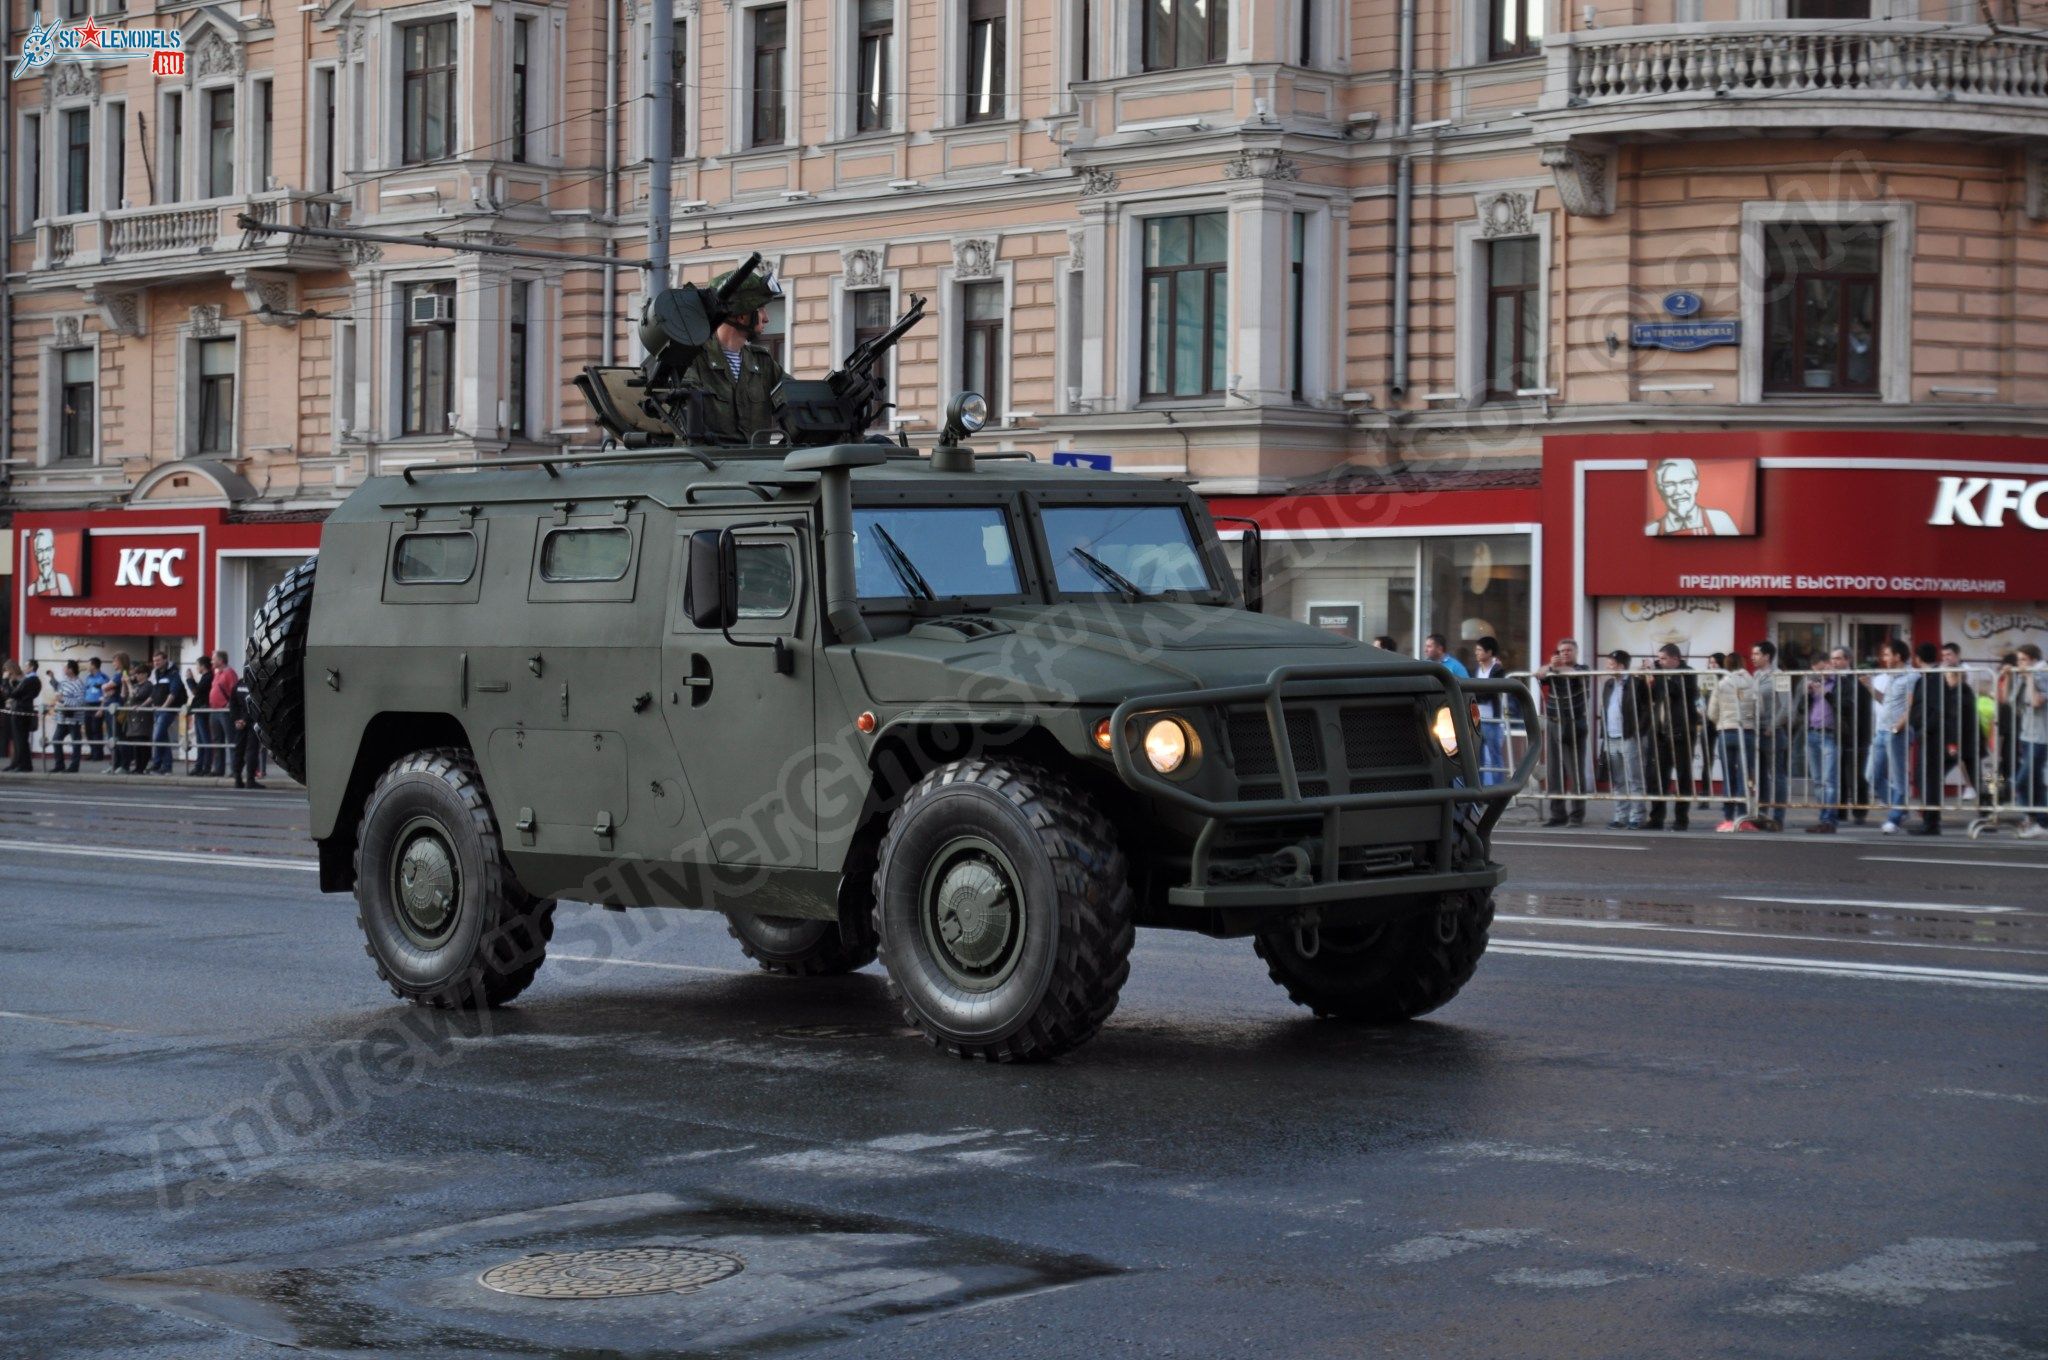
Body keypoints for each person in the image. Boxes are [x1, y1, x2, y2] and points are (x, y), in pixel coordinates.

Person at [678, 267, 789, 444]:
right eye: (760, 309)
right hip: (712, 466)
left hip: (759, 466)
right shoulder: (693, 360)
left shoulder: (763, 363)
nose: (766, 318)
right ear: (742, 317)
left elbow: (798, 398)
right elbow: (684, 419)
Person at [1862, 637, 1917, 835]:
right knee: (1871, 775)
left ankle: (1894, 818)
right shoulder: (1892, 676)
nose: (1883, 658)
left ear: (1898, 656)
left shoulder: (1911, 676)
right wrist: (1869, 686)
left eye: (1887, 654)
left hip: (1897, 732)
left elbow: (1912, 705)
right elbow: (1885, 701)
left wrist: (1899, 726)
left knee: (1898, 778)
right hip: (1882, 731)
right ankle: (1899, 808)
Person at [1535, 639, 1592, 827]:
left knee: (1575, 771)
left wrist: (1556, 669)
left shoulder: (1583, 668)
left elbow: (1576, 674)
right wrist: (1548, 666)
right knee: (1553, 771)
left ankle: (1577, 816)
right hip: (1553, 722)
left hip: (1574, 723)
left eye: (1569, 650)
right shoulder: (1554, 669)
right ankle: (1557, 814)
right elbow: (1540, 675)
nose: (1565, 654)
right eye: (1561, 651)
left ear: (1576, 652)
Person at [1645, 643, 1699, 831]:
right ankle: (1656, 817)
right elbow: (1651, 697)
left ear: (1675, 659)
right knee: (1658, 777)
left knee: (1683, 777)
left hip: (1681, 732)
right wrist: (1648, 681)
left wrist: (1657, 677)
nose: (1659, 662)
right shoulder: (1659, 675)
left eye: (1663, 659)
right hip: (1660, 732)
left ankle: (1681, 819)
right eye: (1658, 659)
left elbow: (1675, 691)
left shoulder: (1687, 673)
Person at [1598, 650, 1651, 829]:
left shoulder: (1635, 683)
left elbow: (1645, 709)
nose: (1607, 668)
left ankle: (1637, 816)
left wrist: (1637, 731)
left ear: (1621, 666)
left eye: (1611, 664)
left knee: (1634, 778)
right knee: (1618, 780)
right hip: (1611, 737)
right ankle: (1620, 816)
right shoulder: (1609, 685)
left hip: (1629, 737)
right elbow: (1605, 710)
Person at [1705, 653, 1756, 831]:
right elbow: (1761, 708)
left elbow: (1711, 712)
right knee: (1744, 777)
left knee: (1728, 776)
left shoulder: (1722, 683)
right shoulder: (1751, 682)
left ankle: (1728, 818)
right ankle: (1743, 818)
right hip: (1747, 732)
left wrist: (1722, 722)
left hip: (1726, 732)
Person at [1745, 640, 1789, 831]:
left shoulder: (1779, 676)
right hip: (1756, 732)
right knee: (1759, 776)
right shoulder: (1755, 676)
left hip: (1772, 733)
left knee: (1777, 776)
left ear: (1767, 656)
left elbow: (1787, 706)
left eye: (1756, 654)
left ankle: (1778, 817)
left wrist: (1772, 726)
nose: (1753, 657)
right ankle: (1761, 815)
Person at [1830, 646, 1874, 824]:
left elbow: (1852, 706)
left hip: (1856, 734)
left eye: (1838, 658)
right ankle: (1840, 811)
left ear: (1847, 660)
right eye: (1833, 659)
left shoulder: (1857, 680)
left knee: (1856, 776)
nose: (1834, 662)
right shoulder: (1831, 679)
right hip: (1836, 734)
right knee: (1838, 774)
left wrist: (1826, 696)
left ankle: (1860, 811)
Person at [1645, 458, 1742, 536]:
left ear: (1696, 485)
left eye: (1686, 482)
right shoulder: (1652, 529)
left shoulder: (1719, 519)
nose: (1679, 491)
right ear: (1660, 489)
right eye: (1670, 484)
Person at [1802, 653, 1842, 834]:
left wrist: (1824, 694)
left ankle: (1829, 820)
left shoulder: (1839, 683)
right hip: (1812, 733)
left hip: (1830, 734)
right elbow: (1801, 709)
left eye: (1826, 666)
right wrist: (1808, 693)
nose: (1823, 670)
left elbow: (1844, 706)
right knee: (1817, 780)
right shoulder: (1816, 683)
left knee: (1829, 781)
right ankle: (1823, 816)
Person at [2011, 644, 2047, 840]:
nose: (2020, 664)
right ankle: (2037, 820)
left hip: (2041, 736)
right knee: (2034, 782)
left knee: (2023, 780)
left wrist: (2030, 677)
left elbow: (2036, 701)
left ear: (2033, 659)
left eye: (2023, 660)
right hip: (2026, 735)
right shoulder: (2024, 675)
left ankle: (2040, 820)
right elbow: (2013, 701)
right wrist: (2012, 676)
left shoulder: (2043, 673)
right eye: (2018, 660)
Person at [1472, 635, 1510, 786]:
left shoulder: (1497, 669)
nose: (1477, 653)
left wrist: (1477, 693)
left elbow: (1491, 691)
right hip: (1477, 717)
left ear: (1489, 652)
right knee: (1478, 756)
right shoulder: (1478, 669)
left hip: (1491, 719)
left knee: (1494, 755)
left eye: (1480, 650)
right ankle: (1480, 789)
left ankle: (1497, 789)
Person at [147, 651, 186, 775]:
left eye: (158, 660)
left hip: (167, 710)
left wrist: (164, 707)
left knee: (158, 736)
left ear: (165, 660)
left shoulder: (173, 673)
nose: (156, 663)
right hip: (158, 709)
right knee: (162, 736)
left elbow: (173, 693)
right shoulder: (157, 673)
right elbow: (154, 693)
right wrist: (143, 705)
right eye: (154, 661)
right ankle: (163, 766)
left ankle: (161, 764)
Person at [48, 660, 87, 773]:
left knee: (75, 742)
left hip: (74, 719)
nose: (64, 669)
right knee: (56, 740)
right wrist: (52, 678)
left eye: (66, 667)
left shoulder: (79, 684)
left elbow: (80, 702)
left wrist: (63, 699)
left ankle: (74, 766)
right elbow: (58, 689)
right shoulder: (64, 682)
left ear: (71, 669)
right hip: (62, 718)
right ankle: (59, 765)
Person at [227, 667, 264, 790]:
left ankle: (237, 778)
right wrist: (243, 720)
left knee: (239, 750)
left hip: (240, 724)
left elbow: (232, 703)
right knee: (251, 751)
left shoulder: (239, 684)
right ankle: (250, 779)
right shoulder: (255, 684)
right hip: (251, 722)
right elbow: (256, 704)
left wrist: (237, 719)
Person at [3, 661, 41, 771]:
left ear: (31, 667)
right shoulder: (29, 680)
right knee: (18, 739)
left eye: (26, 665)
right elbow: (18, 692)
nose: (24, 667)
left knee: (20, 740)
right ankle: (17, 763)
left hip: (21, 711)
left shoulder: (30, 680)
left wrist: (5, 681)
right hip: (21, 710)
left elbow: (13, 694)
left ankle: (24, 765)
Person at [208, 650, 238, 780]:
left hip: (225, 712)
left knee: (230, 740)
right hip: (215, 711)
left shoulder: (229, 673)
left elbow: (234, 690)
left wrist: (229, 705)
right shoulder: (218, 673)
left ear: (221, 660)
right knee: (217, 741)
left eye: (213, 659)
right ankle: (218, 768)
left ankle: (234, 769)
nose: (212, 661)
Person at [81, 657, 108, 763]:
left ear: (94, 665)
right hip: (88, 705)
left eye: (88, 664)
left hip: (98, 705)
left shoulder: (103, 678)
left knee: (96, 730)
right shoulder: (88, 677)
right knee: (88, 730)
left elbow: (106, 695)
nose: (87, 666)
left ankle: (98, 754)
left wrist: (101, 708)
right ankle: (92, 752)